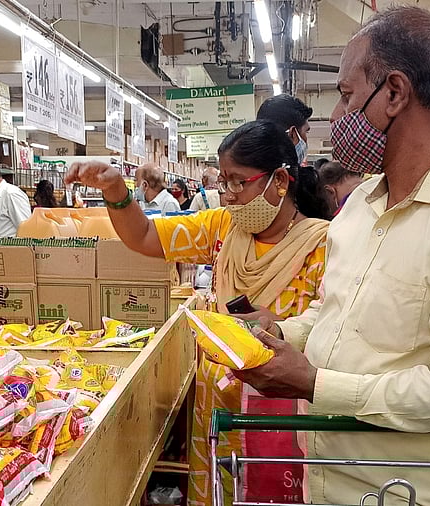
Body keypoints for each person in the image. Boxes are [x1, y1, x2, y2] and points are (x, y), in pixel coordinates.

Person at [234, 7, 430, 506]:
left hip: (402, 491)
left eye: (347, 95)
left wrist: (315, 384)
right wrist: (279, 331)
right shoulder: (360, 205)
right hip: (324, 477)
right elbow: (336, 313)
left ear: (394, 93)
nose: (336, 117)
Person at [64, 120, 332, 506]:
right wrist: (117, 192)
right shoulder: (223, 228)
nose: (228, 196)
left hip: (282, 412)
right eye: (224, 182)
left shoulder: (322, 244)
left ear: (280, 180)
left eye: (239, 182)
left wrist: (278, 326)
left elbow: (330, 327)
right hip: (218, 408)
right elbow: (143, 237)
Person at [257, 94, 314, 166]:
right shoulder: (290, 175)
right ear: (293, 134)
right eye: (306, 132)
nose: (306, 139)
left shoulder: (246, 167)